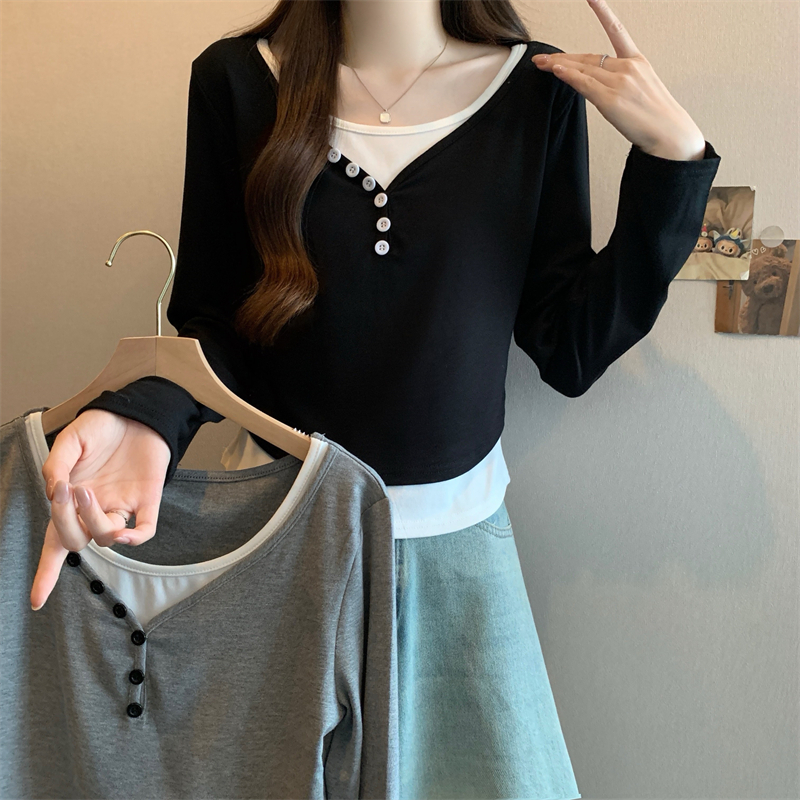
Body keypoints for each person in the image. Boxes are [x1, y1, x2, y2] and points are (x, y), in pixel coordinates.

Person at [31, 0, 720, 797]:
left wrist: (673, 166)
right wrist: (148, 415)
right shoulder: (237, 80)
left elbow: (569, 347)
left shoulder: (536, 89)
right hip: (275, 541)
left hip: (456, 552)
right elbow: (217, 322)